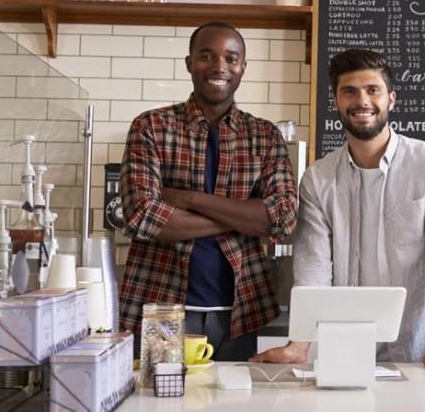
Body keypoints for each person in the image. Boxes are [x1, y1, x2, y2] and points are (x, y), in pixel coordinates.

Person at [252, 49, 425, 372]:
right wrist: (298, 345)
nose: (362, 101)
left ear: (391, 100)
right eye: (349, 91)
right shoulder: (318, 179)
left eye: (373, 90)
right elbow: (313, 270)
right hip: (342, 354)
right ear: (336, 102)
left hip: (420, 356)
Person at [119, 21, 297, 361]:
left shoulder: (264, 135)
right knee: (162, 403)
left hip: (240, 312)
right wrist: (246, 215)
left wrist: (188, 199)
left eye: (231, 58)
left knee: (230, 405)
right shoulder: (151, 126)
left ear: (243, 67)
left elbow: (283, 217)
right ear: (189, 63)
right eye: (206, 56)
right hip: (163, 309)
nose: (219, 67)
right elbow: (142, 216)